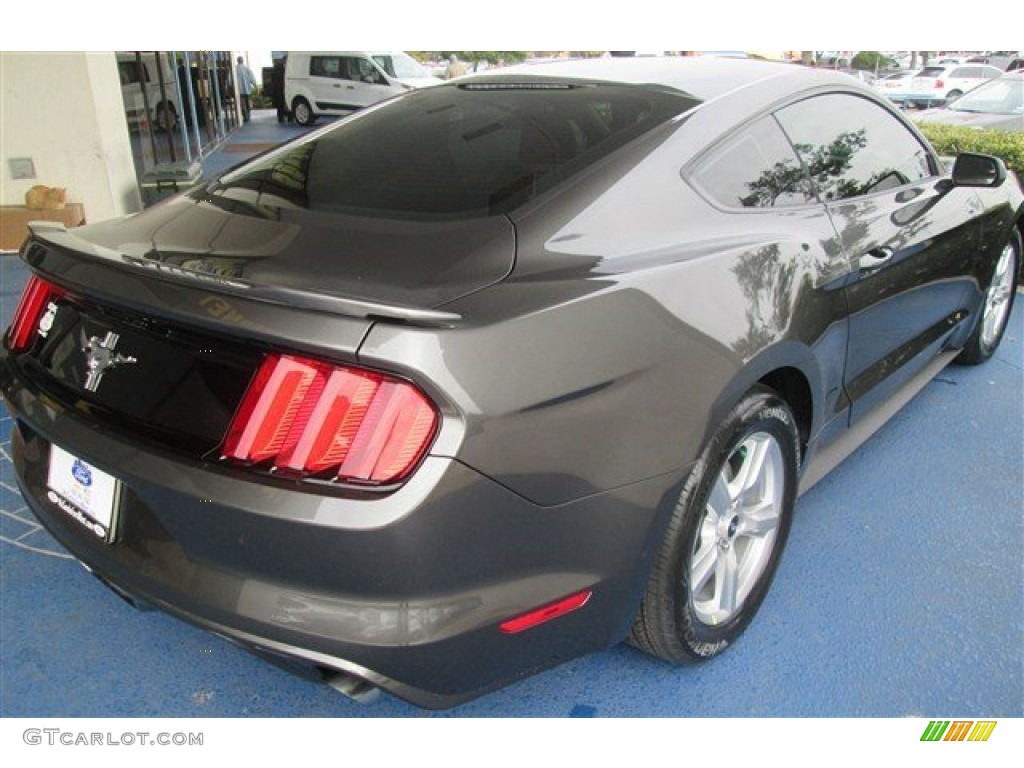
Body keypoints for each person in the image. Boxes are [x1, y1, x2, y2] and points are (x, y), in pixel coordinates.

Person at [235, 55, 257, 122]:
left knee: (241, 104)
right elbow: (252, 78)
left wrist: (227, 86)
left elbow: (230, 79)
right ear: (242, 60)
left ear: (237, 61)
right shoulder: (247, 68)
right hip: (247, 90)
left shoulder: (235, 69)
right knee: (247, 103)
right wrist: (255, 85)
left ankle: (244, 116)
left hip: (239, 90)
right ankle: (248, 115)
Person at [271, 56, 290, 123]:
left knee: (287, 103)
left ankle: (289, 117)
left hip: (287, 88)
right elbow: (273, 79)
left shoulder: (289, 67)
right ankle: (281, 118)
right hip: (279, 88)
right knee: (280, 104)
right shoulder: (278, 67)